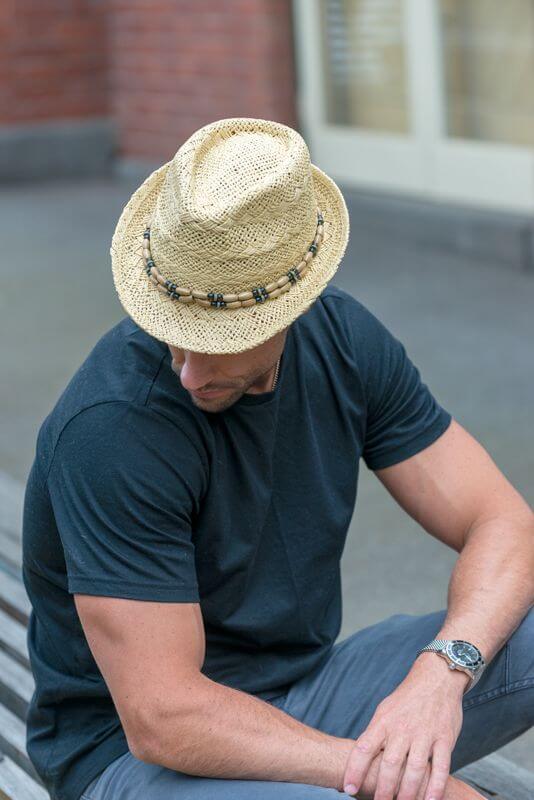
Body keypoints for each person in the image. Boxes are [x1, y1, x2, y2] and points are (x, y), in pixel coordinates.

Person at [22, 118, 533, 800]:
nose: (187, 370)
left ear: (289, 307)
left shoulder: (345, 341)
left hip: (307, 693)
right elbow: (164, 717)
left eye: (218, 337)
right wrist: (387, 780)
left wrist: (441, 675)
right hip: (140, 762)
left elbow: (501, 520)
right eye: (175, 328)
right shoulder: (111, 428)